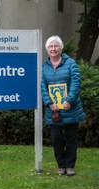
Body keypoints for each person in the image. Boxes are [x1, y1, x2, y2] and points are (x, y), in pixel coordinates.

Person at [41, 35, 85, 177]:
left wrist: (69, 100)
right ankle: (61, 165)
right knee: (56, 138)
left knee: (71, 138)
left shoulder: (70, 63)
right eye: (50, 46)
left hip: (70, 108)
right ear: (47, 49)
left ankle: (70, 166)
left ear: (61, 48)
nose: (53, 49)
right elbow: (42, 87)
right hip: (53, 110)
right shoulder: (44, 67)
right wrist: (49, 103)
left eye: (56, 46)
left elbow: (76, 83)